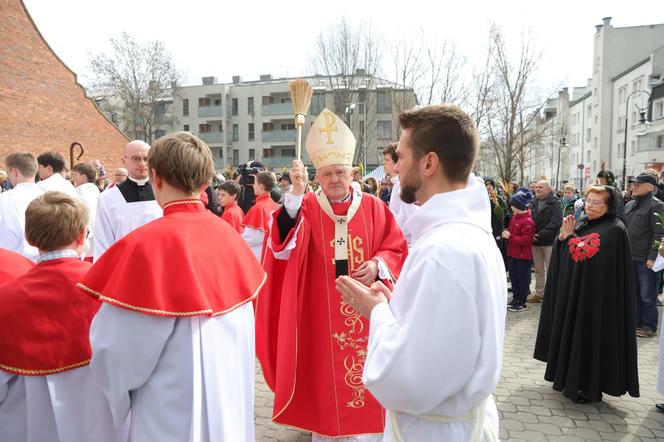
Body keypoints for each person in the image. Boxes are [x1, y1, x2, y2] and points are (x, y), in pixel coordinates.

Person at [334, 104, 506, 441]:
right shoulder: (465, 234)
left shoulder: (443, 251)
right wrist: (396, 305)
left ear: (429, 163)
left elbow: (408, 380)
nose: (395, 168)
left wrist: (379, 313)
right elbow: (445, 340)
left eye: (400, 156)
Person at [79, 132, 266, 441]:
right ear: (206, 183)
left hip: (169, 410)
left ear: (156, 177)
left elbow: (115, 352)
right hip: (230, 404)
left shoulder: (143, 247)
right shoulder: (231, 236)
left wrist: (116, 399)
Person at [256, 108, 408, 441]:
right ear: (317, 177)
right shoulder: (307, 206)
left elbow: (396, 248)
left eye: (340, 172)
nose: (334, 180)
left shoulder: (374, 206)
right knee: (324, 391)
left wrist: (378, 264)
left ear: (353, 173)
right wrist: (294, 195)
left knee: (366, 394)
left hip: (366, 314)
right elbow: (280, 244)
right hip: (318, 315)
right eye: (326, 174)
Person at [0, 192, 126, 442]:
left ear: (29, 237)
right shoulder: (111, 286)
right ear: (82, 235)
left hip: (27, 420)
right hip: (103, 417)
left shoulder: (5, 297)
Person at [534, 186, 639, 403]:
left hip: (598, 302)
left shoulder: (615, 230)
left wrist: (571, 238)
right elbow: (571, 252)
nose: (590, 206)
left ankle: (591, 388)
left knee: (592, 340)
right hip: (576, 296)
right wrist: (563, 238)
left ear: (609, 206)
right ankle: (573, 380)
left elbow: (587, 254)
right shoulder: (584, 224)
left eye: (596, 202)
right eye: (588, 201)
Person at [93, 140, 162, 260]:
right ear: (124, 160)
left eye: (146, 159)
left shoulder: (164, 193)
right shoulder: (107, 198)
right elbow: (102, 244)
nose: (142, 164)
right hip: (123, 267)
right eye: (136, 158)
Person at [624, 173, 664, 338]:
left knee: (647, 295)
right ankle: (637, 322)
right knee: (634, 293)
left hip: (646, 259)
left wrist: (652, 257)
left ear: (650, 186)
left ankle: (649, 326)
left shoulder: (657, 205)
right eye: (633, 183)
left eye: (638, 184)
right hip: (630, 256)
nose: (634, 186)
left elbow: (659, 234)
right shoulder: (631, 204)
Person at [0, 152, 44, 260]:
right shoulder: (50, 196)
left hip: (12, 264)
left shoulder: (4, 199)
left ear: (14, 172)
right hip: (45, 264)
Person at [528, 180, 562, 303]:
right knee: (538, 269)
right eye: (536, 187)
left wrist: (539, 235)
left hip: (549, 242)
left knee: (551, 269)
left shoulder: (555, 202)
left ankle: (552, 294)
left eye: (540, 187)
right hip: (535, 241)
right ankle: (539, 293)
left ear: (548, 189)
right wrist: (531, 235)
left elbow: (556, 222)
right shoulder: (533, 201)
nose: (537, 189)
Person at [503, 188, 535, 312]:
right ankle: (516, 299)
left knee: (522, 279)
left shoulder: (528, 221)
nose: (511, 207)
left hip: (522, 256)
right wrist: (507, 234)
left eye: (512, 205)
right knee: (514, 278)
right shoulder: (515, 218)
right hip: (512, 254)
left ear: (518, 206)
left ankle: (522, 302)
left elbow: (526, 241)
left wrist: (510, 236)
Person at [242, 171, 279, 261]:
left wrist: (235, 239)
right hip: (270, 254)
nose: (253, 186)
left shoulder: (258, 208)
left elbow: (253, 238)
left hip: (258, 255)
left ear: (261, 186)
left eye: (255, 183)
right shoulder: (274, 205)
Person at [384, 143, 417, 237]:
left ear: (396, 161)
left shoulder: (402, 185)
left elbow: (407, 218)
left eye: (387, 160)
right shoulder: (396, 184)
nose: (384, 163)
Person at [72, 162, 101, 261]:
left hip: (85, 241)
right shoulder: (97, 192)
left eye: (75, 175)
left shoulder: (80, 193)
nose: (73, 179)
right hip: (97, 242)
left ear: (84, 177)